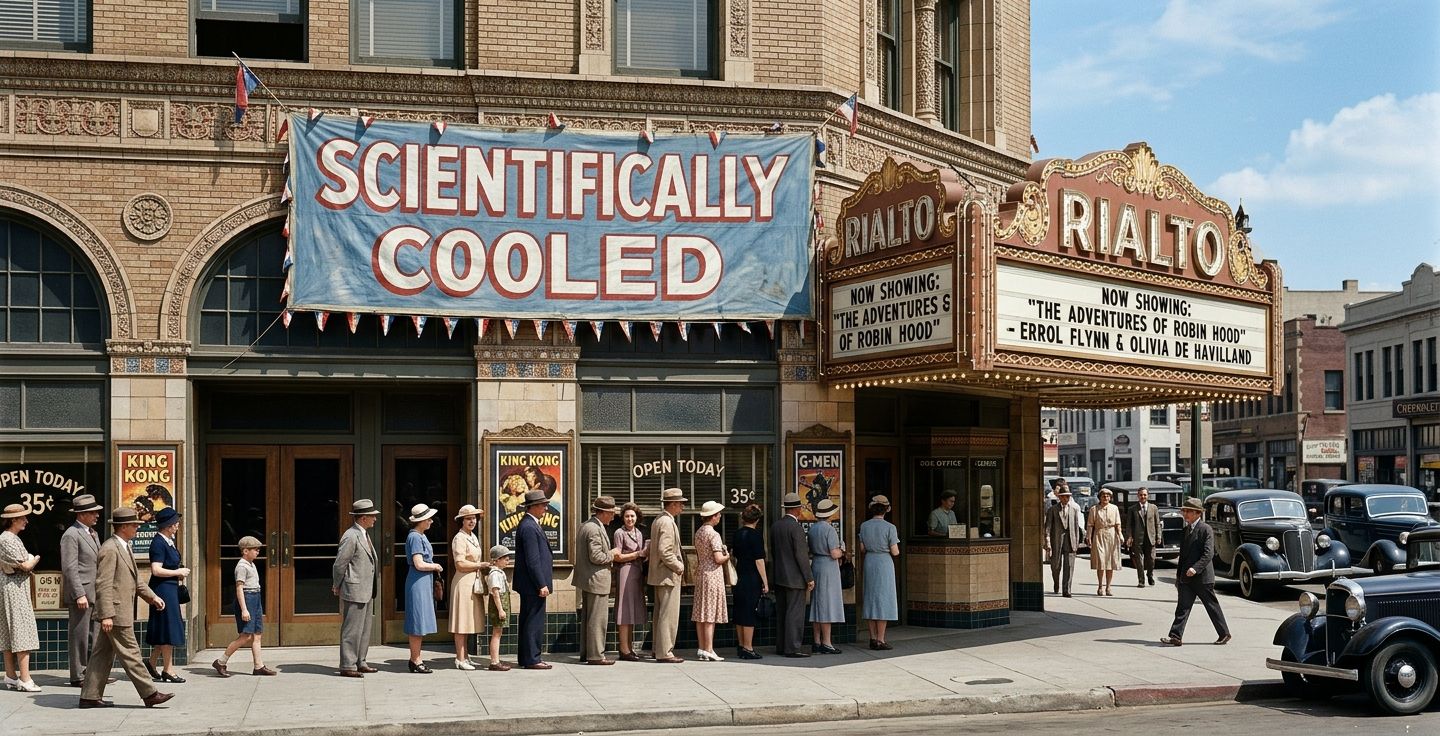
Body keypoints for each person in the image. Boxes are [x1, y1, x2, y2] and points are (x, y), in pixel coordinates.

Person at [80, 506, 173, 708]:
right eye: (134, 526)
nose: (137, 529)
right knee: (132, 653)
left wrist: (153, 597)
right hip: (115, 612)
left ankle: (89, 696)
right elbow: (103, 584)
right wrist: (106, 615)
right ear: (123, 527)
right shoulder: (110, 549)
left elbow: (136, 580)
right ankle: (150, 694)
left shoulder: (124, 546)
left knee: (101, 655)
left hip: (119, 611)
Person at [1161, 498, 1231, 647]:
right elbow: (1183, 555)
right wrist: (1179, 576)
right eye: (1184, 511)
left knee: (1211, 606)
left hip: (1202, 578)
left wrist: (1195, 568)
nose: (1184, 514)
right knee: (1182, 607)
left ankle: (1224, 633)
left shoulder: (1206, 529)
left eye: (1187, 511)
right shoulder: (1186, 530)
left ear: (1197, 513)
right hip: (1186, 578)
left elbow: (1208, 554)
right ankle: (1175, 636)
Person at [212, 536, 276, 677]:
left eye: (258, 549)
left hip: (255, 597)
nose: (257, 552)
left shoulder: (251, 564)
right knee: (245, 636)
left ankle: (259, 666)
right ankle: (221, 661)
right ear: (245, 551)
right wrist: (244, 609)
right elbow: (239, 588)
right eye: (255, 550)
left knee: (257, 634)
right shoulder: (241, 566)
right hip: (247, 599)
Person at [332, 499, 380, 678]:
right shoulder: (351, 536)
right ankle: (348, 665)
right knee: (352, 629)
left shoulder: (363, 534)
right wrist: (337, 584)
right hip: (355, 589)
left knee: (364, 628)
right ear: (364, 518)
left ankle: (361, 661)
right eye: (373, 516)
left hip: (366, 590)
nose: (375, 519)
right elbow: (340, 564)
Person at [60, 493, 104, 687]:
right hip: (82, 593)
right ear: (82, 514)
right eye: (93, 512)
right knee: (79, 634)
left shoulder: (93, 533)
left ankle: (93, 673)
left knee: (95, 634)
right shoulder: (71, 534)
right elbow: (70, 567)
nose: (97, 516)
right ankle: (78, 674)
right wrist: (79, 593)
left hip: (95, 591)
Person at [145, 507, 189, 683]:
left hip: (169, 588)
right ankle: (168, 670)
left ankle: (151, 662)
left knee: (165, 627)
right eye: (175, 522)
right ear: (168, 525)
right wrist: (177, 571)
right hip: (162, 590)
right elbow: (156, 570)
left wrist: (176, 574)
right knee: (168, 628)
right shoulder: (158, 543)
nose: (177, 525)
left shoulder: (168, 541)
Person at [0, 504, 42, 692]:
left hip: (11, 587)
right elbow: (25, 565)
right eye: (22, 518)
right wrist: (35, 558)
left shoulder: (10, 538)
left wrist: (29, 560)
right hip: (14, 589)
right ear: (13, 520)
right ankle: (25, 678)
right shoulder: (7, 538)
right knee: (21, 630)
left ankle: (10, 675)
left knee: (9, 631)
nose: (26, 521)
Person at [575, 495, 619, 665]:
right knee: (597, 620)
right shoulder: (594, 529)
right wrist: (612, 554)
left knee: (589, 618)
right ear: (603, 513)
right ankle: (596, 655)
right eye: (611, 513)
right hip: (596, 580)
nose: (613, 516)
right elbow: (596, 556)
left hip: (588, 579)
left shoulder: (586, 526)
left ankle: (588, 653)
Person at [514, 489, 555, 669]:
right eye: (543, 505)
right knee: (533, 621)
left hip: (530, 584)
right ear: (533, 507)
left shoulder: (531, 524)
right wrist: (541, 583)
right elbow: (533, 560)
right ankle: (532, 658)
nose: (546, 508)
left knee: (529, 620)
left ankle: (526, 657)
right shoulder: (529, 527)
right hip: (532, 585)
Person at [770, 492, 813, 658]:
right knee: (795, 614)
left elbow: (774, 551)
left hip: (779, 575)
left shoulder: (776, 526)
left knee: (782, 613)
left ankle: (781, 646)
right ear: (797, 509)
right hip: (795, 578)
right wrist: (809, 578)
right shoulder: (796, 528)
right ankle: (793, 647)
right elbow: (801, 556)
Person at [647, 487, 686, 663]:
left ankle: (658, 649)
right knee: (668, 614)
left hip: (659, 575)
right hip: (667, 575)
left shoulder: (658, 520)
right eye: (681, 504)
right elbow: (665, 550)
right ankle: (665, 651)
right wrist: (678, 566)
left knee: (660, 613)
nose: (682, 508)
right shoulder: (667, 522)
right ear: (673, 504)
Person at [403, 503, 444, 673]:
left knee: (420, 621)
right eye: (428, 519)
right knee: (417, 622)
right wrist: (435, 566)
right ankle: (415, 659)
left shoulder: (421, 536)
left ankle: (416, 658)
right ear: (421, 521)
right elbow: (419, 563)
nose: (431, 521)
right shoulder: (415, 537)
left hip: (422, 581)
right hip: (418, 581)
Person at [857, 496, 899, 650]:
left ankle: (872, 637)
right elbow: (895, 551)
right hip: (883, 563)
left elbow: (862, 549)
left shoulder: (864, 526)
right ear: (886, 509)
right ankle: (881, 639)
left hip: (869, 561)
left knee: (870, 598)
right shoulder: (890, 527)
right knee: (883, 599)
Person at [691, 500, 730, 662]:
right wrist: (728, 555)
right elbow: (718, 558)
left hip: (701, 573)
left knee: (701, 613)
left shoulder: (699, 532)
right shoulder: (714, 534)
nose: (719, 516)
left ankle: (702, 648)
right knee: (710, 614)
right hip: (712, 575)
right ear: (712, 517)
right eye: (717, 514)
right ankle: (709, 648)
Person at [449, 504, 486, 670]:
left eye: (474, 518)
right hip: (463, 582)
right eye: (468, 518)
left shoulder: (473, 537)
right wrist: (479, 564)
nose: (472, 521)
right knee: (461, 621)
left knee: (469, 620)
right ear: (462, 521)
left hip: (473, 581)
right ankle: (459, 658)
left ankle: (466, 656)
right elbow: (460, 563)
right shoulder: (459, 538)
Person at [807, 498, 845, 654]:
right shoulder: (830, 530)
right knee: (827, 604)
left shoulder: (812, 529)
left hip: (816, 564)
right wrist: (842, 549)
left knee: (817, 604)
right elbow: (834, 553)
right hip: (828, 567)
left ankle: (816, 641)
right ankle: (827, 643)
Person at [730, 503, 767, 660]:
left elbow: (733, 555)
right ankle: (748, 647)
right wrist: (765, 582)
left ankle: (741, 645)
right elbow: (759, 561)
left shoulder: (737, 534)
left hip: (739, 575)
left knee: (739, 611)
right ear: (757, 520)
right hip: (752, 576)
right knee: (750, 612)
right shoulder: (756, 536)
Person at [612, 502, 648, 661]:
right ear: (623, 517)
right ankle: (624, 649)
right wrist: (637, 554)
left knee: (633, 609)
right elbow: (617, 556)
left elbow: (641, 554)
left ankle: (630, 647)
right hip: (625, 570)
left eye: (632, 516)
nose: (629, 519)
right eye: (627, 516)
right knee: (625, 609)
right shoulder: (619, 533)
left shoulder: (639, 533)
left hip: (637, 572)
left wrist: (645, 553)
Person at [1043, 482, 1084, 597]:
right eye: (1064, 496)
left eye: (1068, 496)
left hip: (1070, 540)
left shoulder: (1074, 509)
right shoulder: (1052, 510)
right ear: (1059, 497)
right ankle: (1056, 583)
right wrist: (1047, 542)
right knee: (1055, 565)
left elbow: (1076, 527)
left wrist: (1077, 543)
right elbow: (1048, 527)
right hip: (1057, 540)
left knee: (1069, 566)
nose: (1066, 498)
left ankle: (1067, 589)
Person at [1087, 488, 1123, 596]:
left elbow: (1118, 524)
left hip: (1111, 536)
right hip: (1099, 534)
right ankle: (1100, 586)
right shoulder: (1094, 509)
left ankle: (1108, 587)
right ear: (1100, 497)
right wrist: (1088, 536)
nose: (1106, 498)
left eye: (1108, 496)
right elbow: (1090, 525)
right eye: (1103, 496)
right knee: (1101, 562)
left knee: (1110, 563)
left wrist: (1120, 535)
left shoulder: (1114, 508)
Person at [484, 545, 512, 671]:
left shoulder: (499, 573)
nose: (508, 561)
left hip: (501, 605)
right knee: (496, 633)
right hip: (498, 606)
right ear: (497, 560)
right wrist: (500, 609)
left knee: (498, 633)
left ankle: (496, 660)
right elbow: (495, 593)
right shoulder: (495, 574)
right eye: (505, 558)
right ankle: (494, 661)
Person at [1126, 487, 1161, 588]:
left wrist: (1158, 536)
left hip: (1151, 538)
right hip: (1138, 538)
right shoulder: (1132, 509)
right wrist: (1129, 537)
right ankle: (1141, 580)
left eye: (1145, 495)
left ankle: (1150, 575)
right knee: (1139, 560)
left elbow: (1157, 523)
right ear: (1138, 496)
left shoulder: (1153, 508)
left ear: (1148, 496)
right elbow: (1129, 525)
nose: (1143, 497)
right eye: (1141, 495)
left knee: (1151, 559)